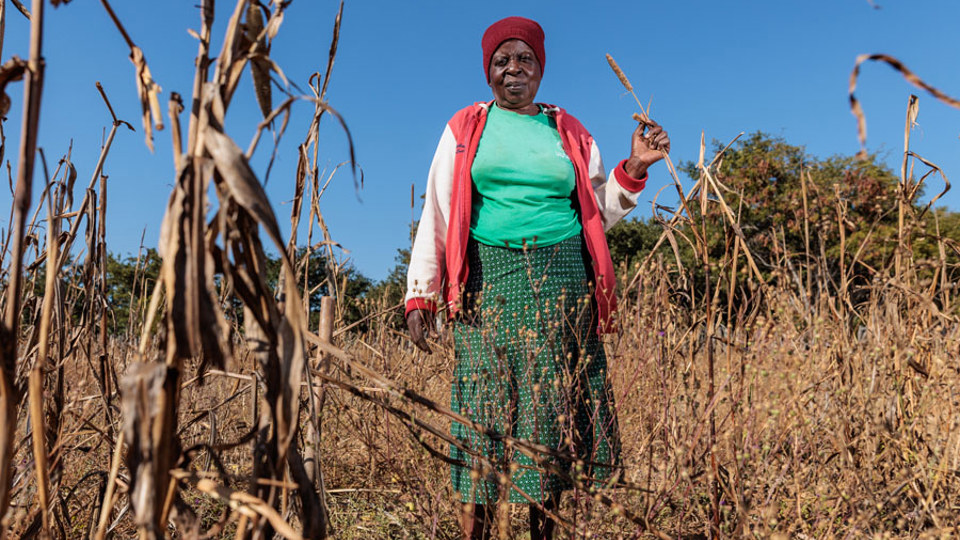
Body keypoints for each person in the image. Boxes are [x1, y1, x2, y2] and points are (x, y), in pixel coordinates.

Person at [404, 16, 670, 540]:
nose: (513, 70)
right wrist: (421, 295)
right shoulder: (465, 127)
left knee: (549, 416)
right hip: (485, 282)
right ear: (488, 72)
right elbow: (438, 210)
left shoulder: (568, 130)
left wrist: (635, 166)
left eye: (524, 59)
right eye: (502, 61)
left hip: (563, 282)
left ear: (540, 68)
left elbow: (597, 211)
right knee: (481, 413)